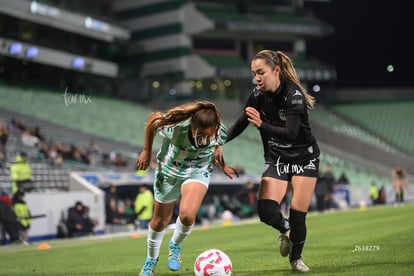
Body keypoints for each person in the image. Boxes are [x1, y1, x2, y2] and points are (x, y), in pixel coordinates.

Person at [220, 50, 320, 272]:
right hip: (276, 158)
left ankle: (296, 259)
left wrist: (261, 125)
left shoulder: (294, 95)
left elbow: (291, 133)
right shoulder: (257, 95)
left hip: (304, 158)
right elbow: (240, 123)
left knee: (297, 214)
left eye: (260, 72)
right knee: (265, 211)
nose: (256, 78)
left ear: (275, 71)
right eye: (254, 73)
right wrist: (219, 141)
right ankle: (285, 229)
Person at [136, 101, 238, 276]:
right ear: (192, 127)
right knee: (160, 220)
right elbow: (153, 119)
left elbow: (217, 143)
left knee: (187, 214)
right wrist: (146, 150)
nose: (205, 140)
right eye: (202, 136)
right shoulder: (176, 127)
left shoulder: (219, 129)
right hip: (169, 172)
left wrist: (222, 163)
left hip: (197, 171)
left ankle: (175, 246)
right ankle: (151, 261)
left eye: (209, 136)